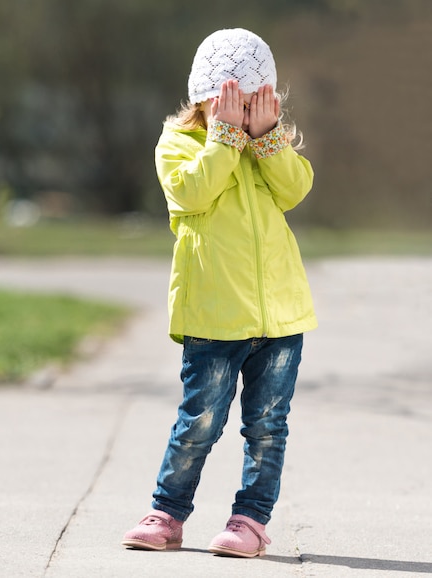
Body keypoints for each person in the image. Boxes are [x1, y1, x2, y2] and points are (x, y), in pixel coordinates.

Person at [121, 28, 317, 558]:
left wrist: (267, 135)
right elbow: (193, 192)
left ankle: (249, 521)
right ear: (203, 99)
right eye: (227, 100)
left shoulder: (270, 148)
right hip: (213, 317)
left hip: (279, 320)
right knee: (199, 422)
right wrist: (225, 138)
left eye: (253, 101)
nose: (239, 111)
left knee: (267, 428)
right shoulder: (179, 145)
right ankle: (167, 512)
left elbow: (296, 189)